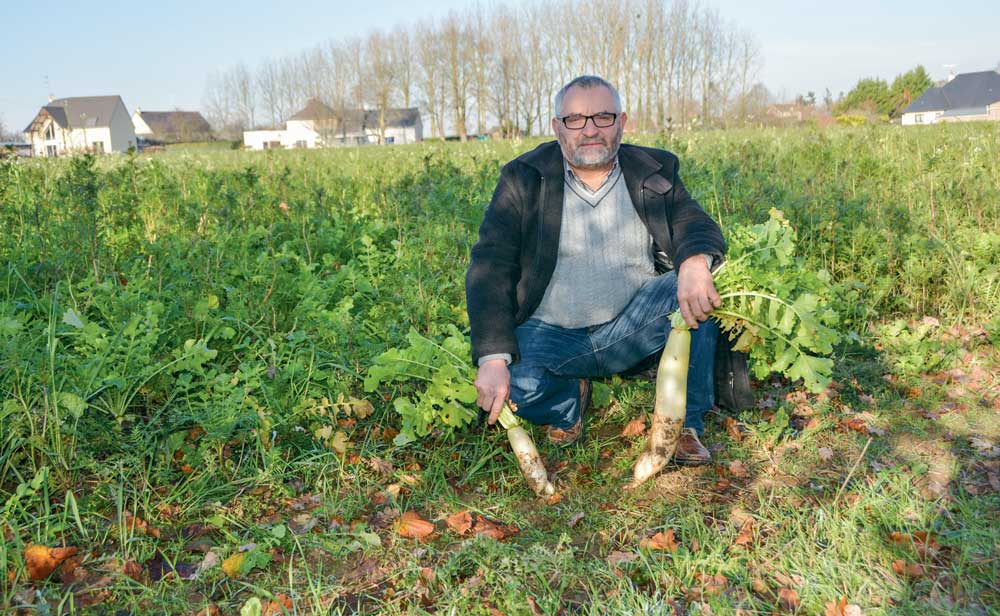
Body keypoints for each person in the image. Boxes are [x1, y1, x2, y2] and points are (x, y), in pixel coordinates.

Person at [465, 75, 725, 465]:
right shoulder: (523, 178)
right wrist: (492, 359)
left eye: (602, 117)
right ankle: (568, 403)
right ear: (557, 128)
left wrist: (693, 262)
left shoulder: (653, 169)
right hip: (551, 331)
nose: (589, 130)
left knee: (697, 291)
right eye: (575, 119)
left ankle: (685, 426)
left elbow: (693, 222)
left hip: (630, 323)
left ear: (621, 122)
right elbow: (491, 264)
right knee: (511, 384)